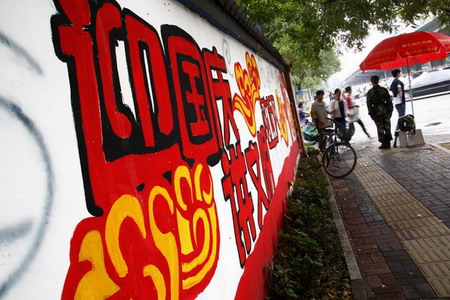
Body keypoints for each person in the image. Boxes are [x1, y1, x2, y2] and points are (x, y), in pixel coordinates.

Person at [367, 76, 393, 149]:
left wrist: (371, 114)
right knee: (387, 126)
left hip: (376, 112)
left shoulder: (370, 92)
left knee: (380, 128)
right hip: (385, 110)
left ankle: (383, 143)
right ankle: (388, 142)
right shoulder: (384, 90)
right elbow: (389, 101)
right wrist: (390, 111)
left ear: (371, 82)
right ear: (378, 81)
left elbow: (369, 104)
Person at [389, 69, 406, 133]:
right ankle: (397, 130)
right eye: (400, 72)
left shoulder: (393, 82)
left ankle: (402, 129)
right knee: (402, 117)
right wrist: (402, 97)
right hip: (400, 101)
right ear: (398, 73)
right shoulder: (398, 81)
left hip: (396, 102)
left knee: (401, 116)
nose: (400, 73)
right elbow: (399, 90)